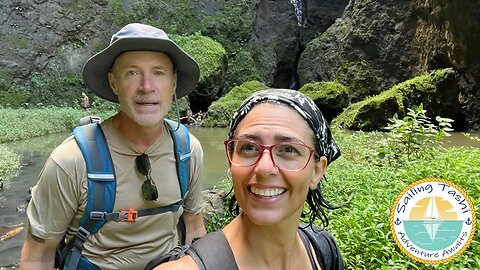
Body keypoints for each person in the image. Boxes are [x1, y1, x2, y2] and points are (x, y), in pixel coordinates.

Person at [19, 23, 207, 270]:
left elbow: (193, 226)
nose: (147, 86)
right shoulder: (71, 161)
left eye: (159, 73)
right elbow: (37, 257)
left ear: (173, 83)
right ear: (113, 82)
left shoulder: (187, 150)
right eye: (132, 73)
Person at [149, 88, 343, 270]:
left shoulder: (322, 250)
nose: (264, 168)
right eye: (249, 148)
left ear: (317, 170)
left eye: (288, 150)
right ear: (231, 159)